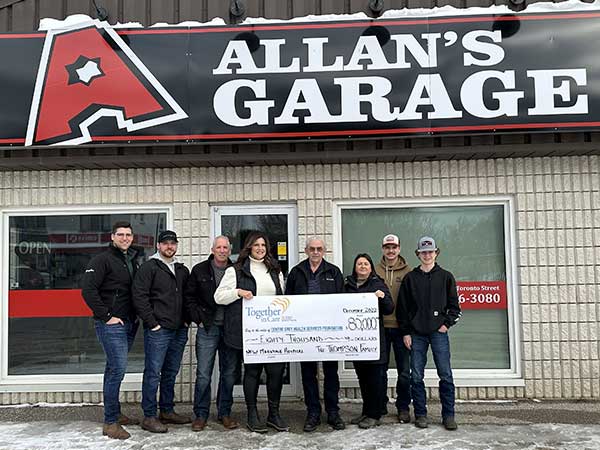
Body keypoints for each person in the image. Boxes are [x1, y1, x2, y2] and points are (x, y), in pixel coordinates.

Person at [214, 231, 288, 433]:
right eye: (256, 245)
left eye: (263, 245)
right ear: (249, 247)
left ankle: (274, 414)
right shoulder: (235, 270)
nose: (260, 248)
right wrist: (238, 292)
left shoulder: (275, 269)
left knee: (275, 372)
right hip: (250, 332)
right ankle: (252, 414)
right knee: (253, 372)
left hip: (273, 332)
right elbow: (219, 296)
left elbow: (282, 297)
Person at [81, 221, 140, 440]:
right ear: (112, 237)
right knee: (118, 369)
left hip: (128, 323)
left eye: (128, 235)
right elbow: (88, 290)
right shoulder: (102, 259)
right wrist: (106, 316)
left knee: (112, 369)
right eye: (121, 234)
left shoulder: (130, 260)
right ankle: (110, 423)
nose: (125, 238)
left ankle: (113, 412)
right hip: (111, 324)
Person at [397, 236, 461, 431]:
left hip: (438, 333)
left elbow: (454, 307)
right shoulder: (410, 278)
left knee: (445, 374)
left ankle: (448, 415)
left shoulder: (446, 276)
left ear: (436, 253)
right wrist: (406, 332)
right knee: (416, 375)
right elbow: (403, 309)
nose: (427, 255)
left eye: (430, 251)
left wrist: (446, 325)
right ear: (418, 254)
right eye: (423, 252)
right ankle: (421, 414)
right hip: (416, 334)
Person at [132, 230, 191, 433]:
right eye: (165, 243)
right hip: (159, 330)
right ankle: (149, 416)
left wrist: (186, 321)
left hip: (178, 330)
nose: (169, 246)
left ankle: (167, 410)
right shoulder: (149, 268)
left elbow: (188, 297)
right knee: (153, 373)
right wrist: (152, 323)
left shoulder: (181, 269)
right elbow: (139, 297)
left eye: (173, 243)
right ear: (158, 245)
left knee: (170, 372)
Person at [285, 236, 345, 432]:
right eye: (312, 249)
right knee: (308, 373)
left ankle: (333, 412)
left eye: (319, 248)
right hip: (305, 332)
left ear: (324, 251)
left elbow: (343, 302)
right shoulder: (296, 272)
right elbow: (288, 301)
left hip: (329, 331)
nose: (316, 252)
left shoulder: (334, 272)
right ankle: (313, 412)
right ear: (306, 250)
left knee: (330, 373)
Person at [184, 235, 241, 432]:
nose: (222, 250)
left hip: (231, 330)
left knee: (229, 374)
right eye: (219, 247)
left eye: (226, 247)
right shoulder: (200, 270)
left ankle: (224, 413)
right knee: (203, 375)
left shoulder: (237, 270)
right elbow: (189, 297)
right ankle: (201, 414)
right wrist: (197, 319)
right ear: (212, 249)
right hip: (208, 328)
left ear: (230, 249)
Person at [344, 253, 393, 429]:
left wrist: (382, 297)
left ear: (371, 267)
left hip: (373, 341)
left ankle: (375, 414)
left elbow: (389, 309)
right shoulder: (347, 285)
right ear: (355, 267)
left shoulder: (378, 284)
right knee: (363, 378)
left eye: (366, 264)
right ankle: (366, 411)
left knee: (374, 379)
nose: (363, 266)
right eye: (359, 264)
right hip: (356, 342)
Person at [375, 234, 412, 423]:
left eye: (394, 247)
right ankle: (380, 405)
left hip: (401, 329)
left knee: (404, 371)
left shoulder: (409, 272)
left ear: (399, 248)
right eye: (387, 247)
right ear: (383, 249)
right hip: (380, 328)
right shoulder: (374, 270)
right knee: (380, 370)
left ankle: (403, 406)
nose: (391, 250)